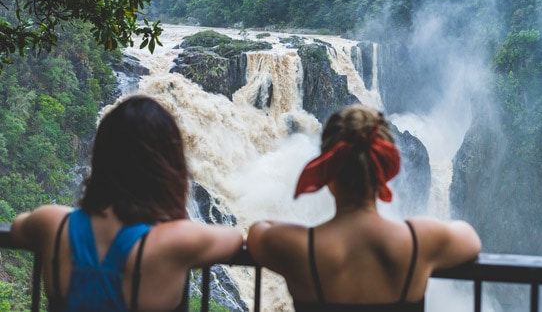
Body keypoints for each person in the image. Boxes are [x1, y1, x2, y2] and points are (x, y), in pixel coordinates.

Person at [10, 95, 243, 312]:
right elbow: (233, 238)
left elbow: (19, 226)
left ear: (100, 157)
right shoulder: (173, 241)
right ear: (169, 167)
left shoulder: (52, 223)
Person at [247, 104, 481, 311]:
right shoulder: (418, 241)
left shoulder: (299, 248)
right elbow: (470, 239)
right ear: (384, 174)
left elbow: (258, 231)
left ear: (328, 173)